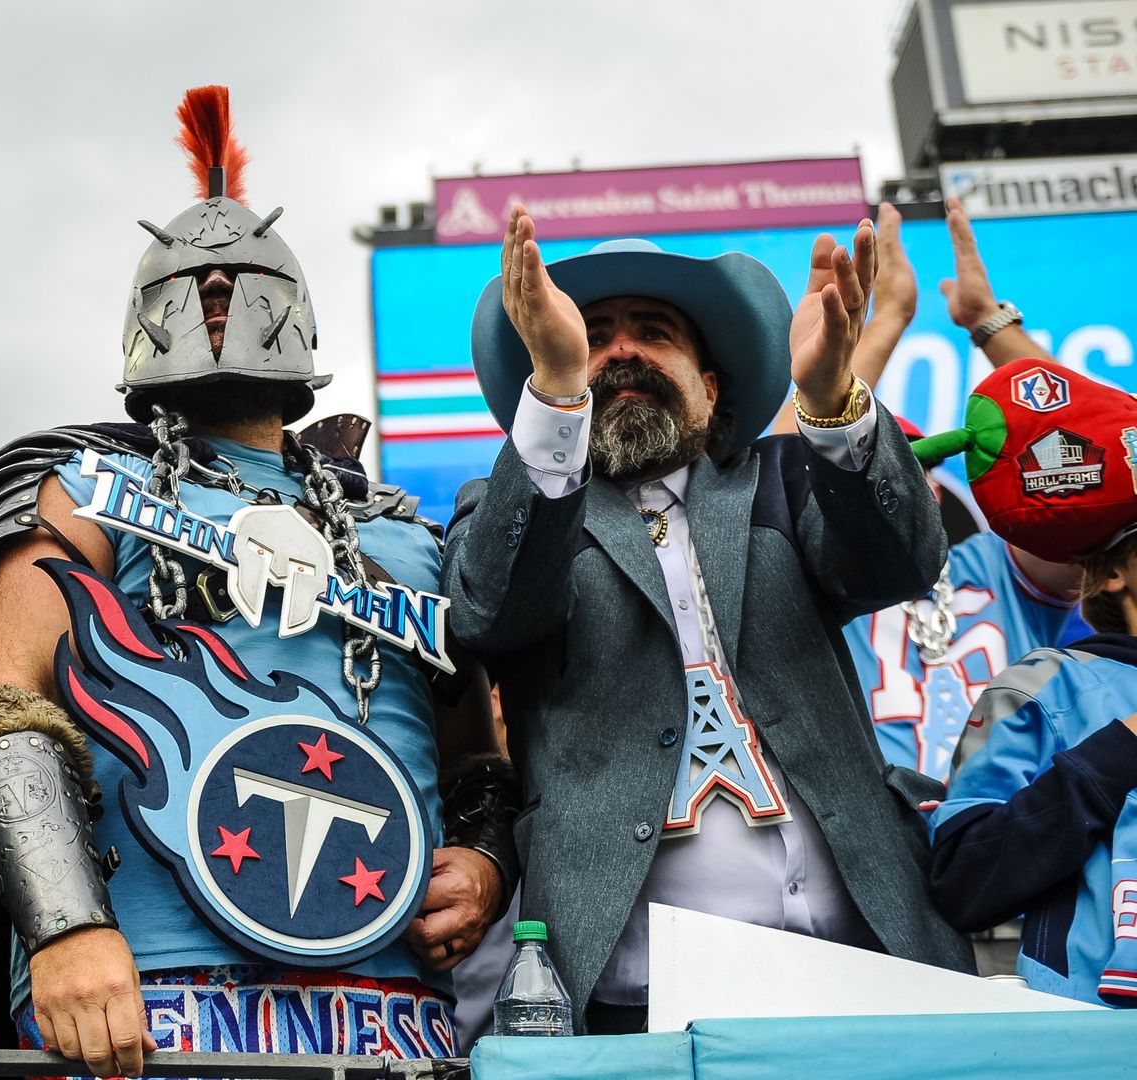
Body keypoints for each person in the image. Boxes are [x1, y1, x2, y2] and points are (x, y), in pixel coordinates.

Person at [0, 87, 513, 1075]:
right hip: (144, 999)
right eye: (194, 287)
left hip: (390, 1009)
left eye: (239, 283)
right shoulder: (69, 487)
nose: (217, 302)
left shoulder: (405, 534)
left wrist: (485, 861)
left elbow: (476, 761)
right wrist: (66, 925)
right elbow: (4, 713)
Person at [442, 204, 975, 1033]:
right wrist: (555, 392)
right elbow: (489, 614)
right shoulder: (514, 508)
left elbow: (903, 562)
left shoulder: (788, 478)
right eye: (590, 335)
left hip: (872, 961)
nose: (619, 351)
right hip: (642, 997)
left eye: (653, 332)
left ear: (711, 384)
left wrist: (833, 401)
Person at [776, 199, 1081, 782]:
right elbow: (779, 477)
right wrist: (884, 320)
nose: (876, 485)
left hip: (1019, 841)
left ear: (934, 492)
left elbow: (1106, 454)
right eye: (861, 472)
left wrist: (989, 324)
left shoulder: (1001, 568)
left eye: (903, 466)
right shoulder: (809, 584)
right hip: (880, 854)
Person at [925, 359, 1137, 1004]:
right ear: (1113, 575)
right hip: (1090, 1039)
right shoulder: (1050, 686)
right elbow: (965, 876)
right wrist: (1119, 747)